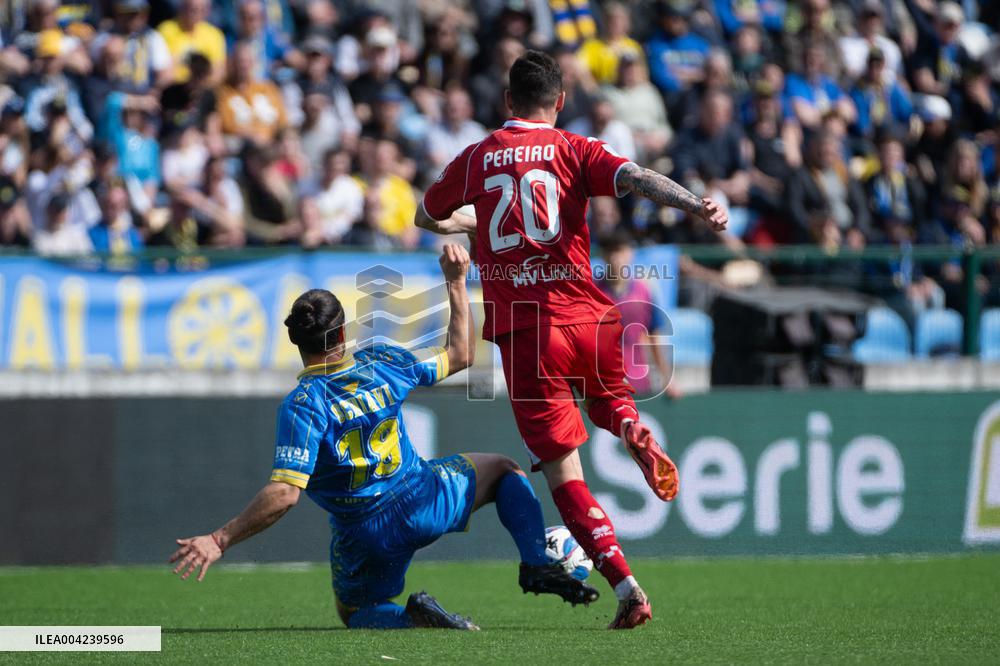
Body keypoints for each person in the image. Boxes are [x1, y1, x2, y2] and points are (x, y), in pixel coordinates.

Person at [415, 50, 727, 629]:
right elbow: (636, 178)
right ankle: (629, 422)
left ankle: (629, 590)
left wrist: (475, 222)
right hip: (591, 318)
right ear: (560, 102)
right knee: (610, 400)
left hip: (530, 337)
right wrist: (695, 204)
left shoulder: (478, 157)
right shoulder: (575, 149)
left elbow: (425, 215)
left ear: (508, 102)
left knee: (566, 479)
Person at [169, 245, 598, 629]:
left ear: (296, 342)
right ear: (342, 334)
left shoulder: (302, 404)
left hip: (367, 533)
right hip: (424, 496)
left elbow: (284, 493)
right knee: (504, 471)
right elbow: (462, 354)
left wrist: (220, 539)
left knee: (357, 611)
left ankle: (412, 616)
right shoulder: (381, 362)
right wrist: (454, 281)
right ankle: (535, 563)